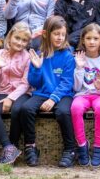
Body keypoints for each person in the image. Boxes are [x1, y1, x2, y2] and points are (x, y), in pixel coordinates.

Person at [19, 16, 77, 168]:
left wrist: (53, 99)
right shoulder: (39, 54)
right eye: (56, 33)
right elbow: (34, 82)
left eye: (62, 34)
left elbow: (67, 82)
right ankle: (30, 147)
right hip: (42, 93)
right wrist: (37, 68)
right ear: (46, 34)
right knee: (26, 109)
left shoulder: (68, 55)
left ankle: (70, 150)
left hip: (63, 94)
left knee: (63, 112)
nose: (60, 37)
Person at [0, 22, 32, 164]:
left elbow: (25, 83)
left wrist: (11, 98)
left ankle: (14, 143)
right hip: (2, 91)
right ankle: (8, 147)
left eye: (24, 40)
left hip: (22, 93)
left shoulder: (27, 57)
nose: (20, 43)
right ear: (10, 36)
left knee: (18, 109)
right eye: (17, 38)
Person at [70, 23, 100, 167]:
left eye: (95, 38)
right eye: (88, 38)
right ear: (83, 40)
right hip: (82, 94)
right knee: (75, 108)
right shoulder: (78, 58)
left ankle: (98, 147)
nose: (92, 42)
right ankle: (82, 145)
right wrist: (79, 68)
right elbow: (76, 87)